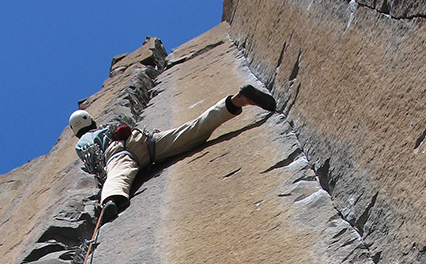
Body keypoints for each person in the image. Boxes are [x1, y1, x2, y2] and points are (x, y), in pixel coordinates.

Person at [69, 85, 276, 222]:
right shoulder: (106, 125)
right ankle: (236, 101)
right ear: (91, 121)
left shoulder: (83, 142)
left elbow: (93, 159)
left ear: (77, 131)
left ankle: (111, 201)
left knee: (118, 175)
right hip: (144, 140)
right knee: (192, 131)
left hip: (118, 152)